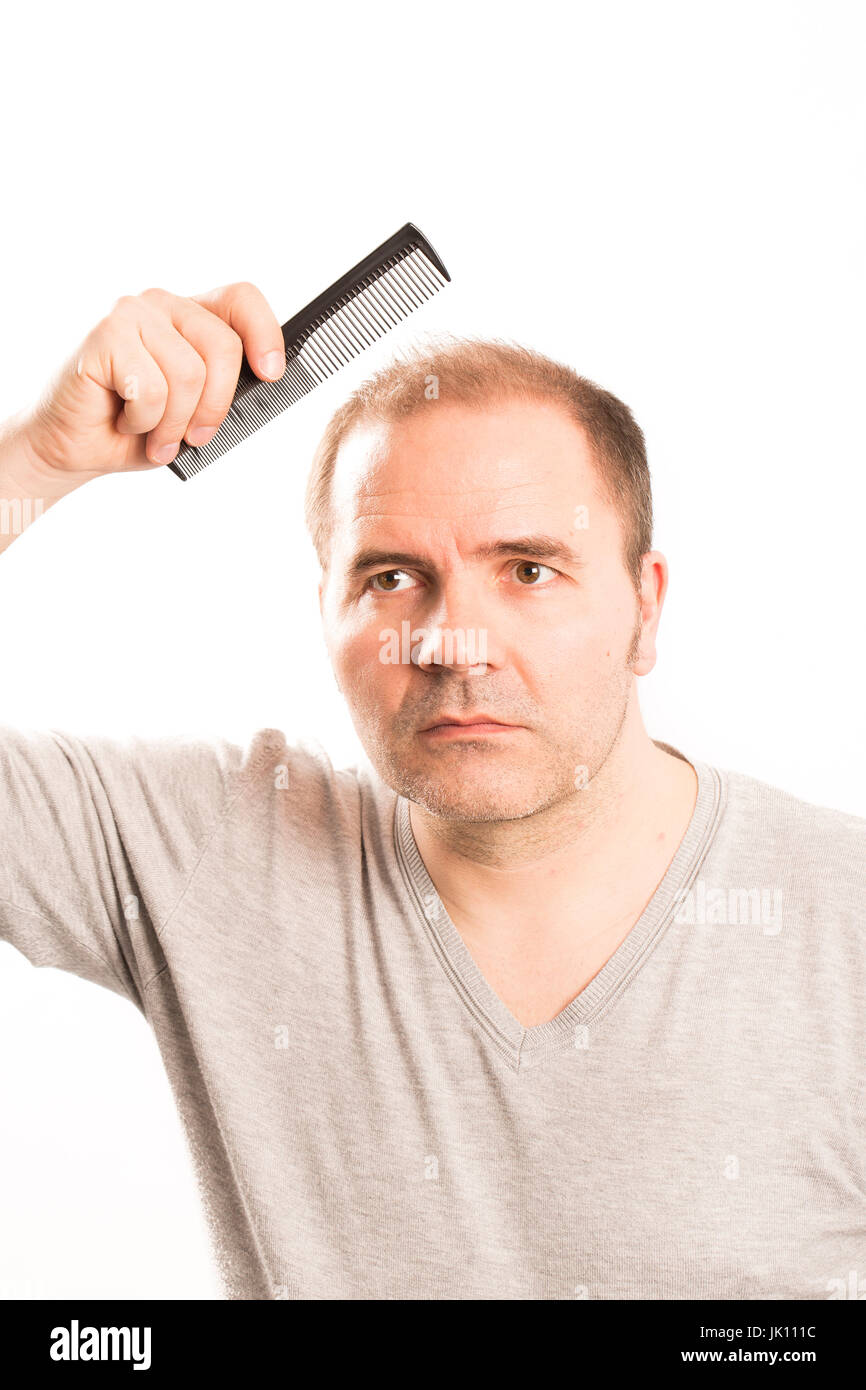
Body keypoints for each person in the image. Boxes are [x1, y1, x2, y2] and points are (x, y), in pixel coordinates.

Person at [0, 283, 863, 1301]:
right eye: (391, 578)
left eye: (529, 570)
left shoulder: (837, 918)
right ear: (320, 612)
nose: (455, 645)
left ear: (643, 606)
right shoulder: (201, 855)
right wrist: (36, 462)